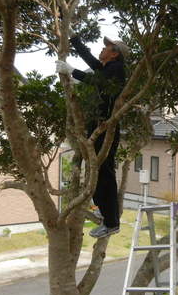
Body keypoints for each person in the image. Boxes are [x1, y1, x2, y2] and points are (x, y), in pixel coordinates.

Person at [55, 36, 128, 238]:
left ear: (114, 53)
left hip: (106, 126)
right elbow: (92, 62)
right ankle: (107, 218)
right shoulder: (108, 68)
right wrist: (75, 40)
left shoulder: (116, 69)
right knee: (96, 171)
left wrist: (70, 71)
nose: (102, 49)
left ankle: (112, 222)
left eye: (106, 47)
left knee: (104, 173)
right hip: (98, 125)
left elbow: (98, 81)